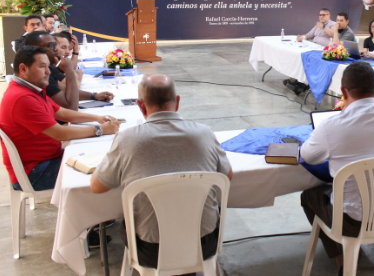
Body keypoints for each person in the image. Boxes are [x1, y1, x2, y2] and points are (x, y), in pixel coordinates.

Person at [90, 74, 233, 271]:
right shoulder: (205, 133)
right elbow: (227, 176)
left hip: (151, 250)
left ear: (140, 105)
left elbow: (97, 187)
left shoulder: (127, 140)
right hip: (203, 243)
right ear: (178, 102)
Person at [300, 62, 374, 273]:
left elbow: (308, 156)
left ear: (343, 92)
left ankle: (343, 259)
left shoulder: (332, 125)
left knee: (309, 196)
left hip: (352, 221)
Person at [0, 46, 120, 193]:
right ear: (23, 69)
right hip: (34, 172)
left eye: (48, 67)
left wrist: (97, 118)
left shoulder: (31, 89)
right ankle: (107, 214)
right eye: (42, 67)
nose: (48, 72)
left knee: (105, 157)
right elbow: (59, 133)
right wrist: (100, 130)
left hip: (47, 160)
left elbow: (60, 112)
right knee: (108, 172)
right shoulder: (22, 98)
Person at [24, 31, 113, 110]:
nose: (56, 49)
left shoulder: (49, 67)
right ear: (34, 48)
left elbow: (65, 90)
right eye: (51, 45)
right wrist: (69, 70)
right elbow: (71, 107)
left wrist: (94, 96)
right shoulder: (39, 74)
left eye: (55, 45)